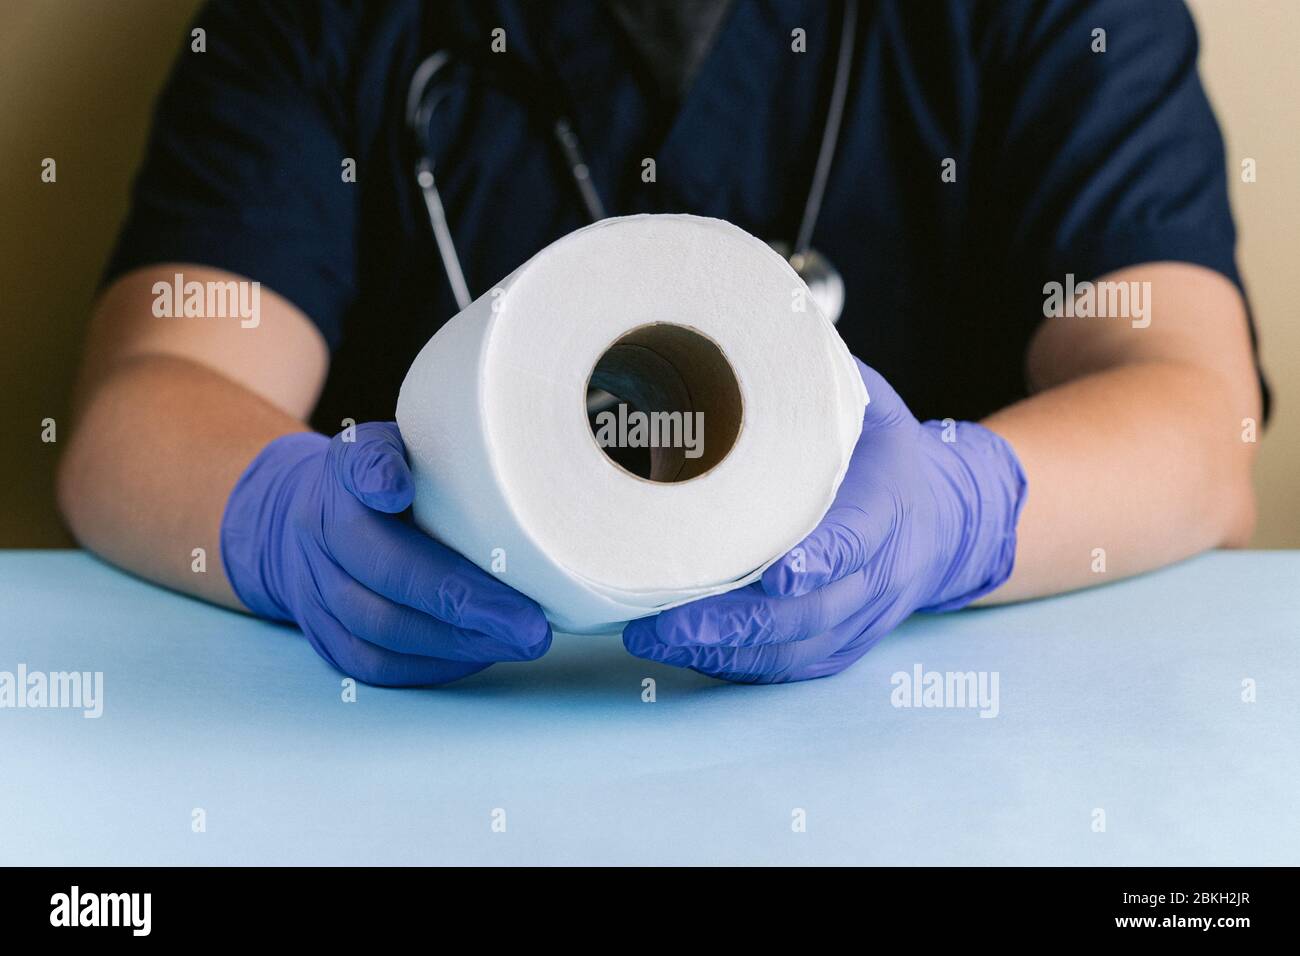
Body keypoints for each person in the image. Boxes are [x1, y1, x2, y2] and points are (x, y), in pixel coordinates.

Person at [58, 0, 1266, 685]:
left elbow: (1196, 419)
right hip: (465, 731)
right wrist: (279, 524)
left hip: (920, 742)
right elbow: (143, 409)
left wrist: (963, 512)